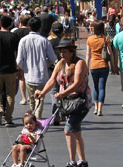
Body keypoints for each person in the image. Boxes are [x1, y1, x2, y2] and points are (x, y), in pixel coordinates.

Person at [35, 38, 90, 167]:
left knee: (68, 130)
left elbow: (76, 84)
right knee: (76, 130)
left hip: (80, 101)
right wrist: (42, 93)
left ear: (72, 51)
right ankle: (82, 160)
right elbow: (52, 80)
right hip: (67, 102)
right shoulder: (61, 63)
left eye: (64, 51)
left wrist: (62, 94)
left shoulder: (80, 63)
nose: (62, 54)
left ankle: (72, 161)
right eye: (60, 51)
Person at [17, 16, 56, 119]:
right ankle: (37, 119)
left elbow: (19, 61)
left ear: (29, 26)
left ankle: (32, 119)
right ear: (40, 27)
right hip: (42, 76)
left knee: (31, 100)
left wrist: (25, 67)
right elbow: (53, 58)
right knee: (40, 100)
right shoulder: (44, 41)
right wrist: (45, 63)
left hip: (29, 76)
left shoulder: (23, 41)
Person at [85, 21, 113, 116]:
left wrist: (86, 66)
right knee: (102, 87)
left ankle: (96, 107)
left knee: (95, 87)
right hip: (104, 65)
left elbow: (88, 54)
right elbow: (110, 53)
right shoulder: (106, 39)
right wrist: (113, 65)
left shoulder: (90, 39)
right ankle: (100, 109)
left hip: (93, 65)